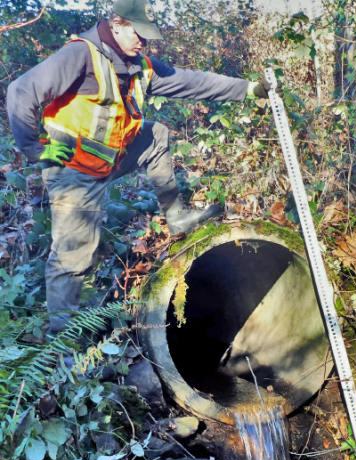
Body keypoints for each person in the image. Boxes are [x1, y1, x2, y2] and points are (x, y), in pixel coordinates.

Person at [7, 0, 280, 335]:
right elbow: (21, 91)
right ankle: (63, 347)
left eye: (148, 37)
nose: (143, 43)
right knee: (73, 259)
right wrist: (35, 151)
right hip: (73, 170)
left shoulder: (138, 65)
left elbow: (193, 82)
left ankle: (175, 214)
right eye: (138, 34)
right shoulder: (81, 54)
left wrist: (249, 89)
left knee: (156, 133)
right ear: (117, 25)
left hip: (108, 160)